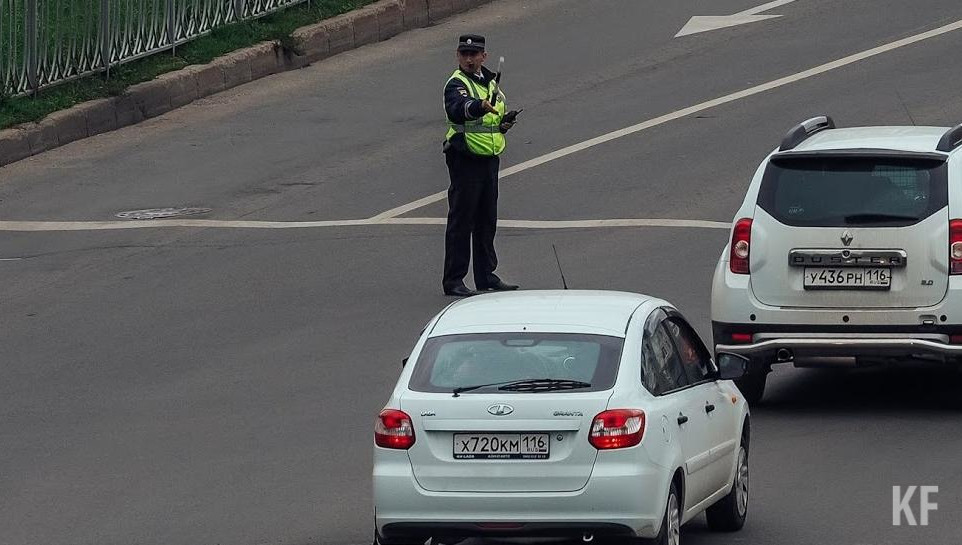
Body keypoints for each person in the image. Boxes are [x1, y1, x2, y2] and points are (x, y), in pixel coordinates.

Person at [441, 34, 520, 297]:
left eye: (474, 54)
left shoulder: (489, 82)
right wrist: (478, 107)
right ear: (458, 56)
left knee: (487, 219)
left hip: (488, 156)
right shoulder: (457, 83)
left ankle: (486, 275)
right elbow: (459, 108)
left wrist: (503, 125)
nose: (469, 59)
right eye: (464, 54)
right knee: (462, 220)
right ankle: (454, 280)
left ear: (483, 56)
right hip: (464, 156)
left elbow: (491, 122)